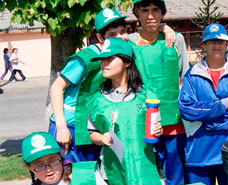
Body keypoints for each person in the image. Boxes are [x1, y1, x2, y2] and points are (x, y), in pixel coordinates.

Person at [49, 8, 175, 164]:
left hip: (96, 128)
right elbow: (56, 87)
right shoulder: (85, 59)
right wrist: (61, 127)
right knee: (73, 180)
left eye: (123, 32)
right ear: (100, 38)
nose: (120, 38)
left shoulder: (124, 54)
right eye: (112, 35)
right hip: (71, 128)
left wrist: (162, 27)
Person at [178, 23, 228, 185]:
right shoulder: (192, 75)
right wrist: (221, 106)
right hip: (199, 148)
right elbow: (186, 108)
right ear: (203, 45)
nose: (216, 45)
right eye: (211, 41)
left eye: (220, 41)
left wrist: (209, 123)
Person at [88, 37, 164, 185]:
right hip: (113, 173)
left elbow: (156, 126)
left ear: (127, 62)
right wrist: (101, 138)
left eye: (110, 59)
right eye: (102, 59)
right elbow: (92, 133)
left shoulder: (146, 95)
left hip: (144, 170)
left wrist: (158, 130)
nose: (104, 64)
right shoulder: (97, 100)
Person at [129, 0, 190, 185]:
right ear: (137, 14)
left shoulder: (175, 38)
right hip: (142, 119)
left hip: (173, 118)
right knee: (147, 175)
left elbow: (186, 76)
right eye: (144, 10)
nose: (150, 16)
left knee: (177, 175)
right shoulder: (129, 42)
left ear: (162, 13)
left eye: (155, 10)